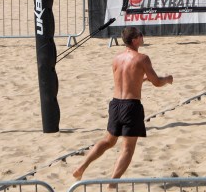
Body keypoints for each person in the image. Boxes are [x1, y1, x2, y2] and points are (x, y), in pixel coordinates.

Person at [73, 27, 173, 182]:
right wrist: (167, 79)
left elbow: (126, 80)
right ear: (134, 40)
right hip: (131, 106)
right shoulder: (142, 58)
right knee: (127, 148)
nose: (142, 36)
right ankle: (112, 184)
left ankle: (81, 167)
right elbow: (157, 83)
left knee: (108, 141)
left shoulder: (116, 58)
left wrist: (142, 80)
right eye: (140, 34)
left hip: (115, 104)